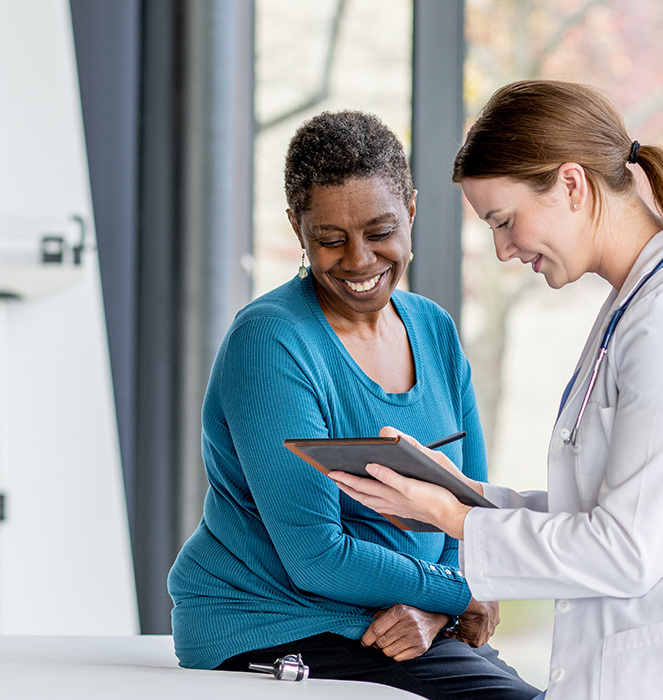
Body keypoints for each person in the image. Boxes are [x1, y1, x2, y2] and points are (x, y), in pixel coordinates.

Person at [329, 80, 663, 700]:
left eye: (505, 220)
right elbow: (604, 514)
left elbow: (627, 549)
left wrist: (457, 518)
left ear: (572, 185)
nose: (502, 249)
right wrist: (460, 494)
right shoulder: (638, 306)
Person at [166, 110, 541, 700]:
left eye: (380, 230)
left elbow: (466, 506)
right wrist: (457, 595)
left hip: (407, 618)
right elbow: (316, 557)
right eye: (331, 239)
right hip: (280, 623)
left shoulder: (433, 328)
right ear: (298, 228)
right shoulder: (271, 342)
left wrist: (437, 608)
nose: (360, 260)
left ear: (412, 211)